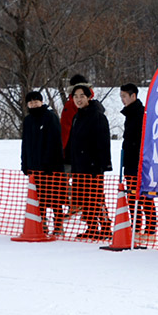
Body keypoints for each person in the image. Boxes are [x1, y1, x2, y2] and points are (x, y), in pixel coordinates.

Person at [66, 83, 112, 240]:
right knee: (84, 198)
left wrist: (103, 164)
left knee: (96, 198)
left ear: (89, 97)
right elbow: (73, 141)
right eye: (75, 97)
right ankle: (92, 227)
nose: (78, 99)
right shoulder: (77, 116)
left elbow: (104, 142)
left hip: (93, 166)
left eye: (82, 96)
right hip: (79, 165)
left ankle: (105, 227)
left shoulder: (97, 116)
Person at [20, 90, 64, 235]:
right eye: (31, 102)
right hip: (34, 166)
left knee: (55, 197)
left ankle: (58, 224)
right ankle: (42, 223)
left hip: (51, 167)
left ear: (42, 102)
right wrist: (24, 163)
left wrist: (53, 163)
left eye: (36, 101)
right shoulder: (27, 120)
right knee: (39, 198)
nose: (33, 104)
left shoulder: (50, 117)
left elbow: (56, 143)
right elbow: (25, 143)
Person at [119, 83, 156, 242]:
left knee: (144, 195)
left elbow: (145, 139)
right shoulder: (129, 114)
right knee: (132, 196)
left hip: (141, 162)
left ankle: (150, 228)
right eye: (121, 97)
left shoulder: (141, 113)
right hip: (129, 161)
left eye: (124, 97)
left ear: (133, 96)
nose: (122, 100)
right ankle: (136, 226)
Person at [60, 74, 91, 219]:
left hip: (70, 150)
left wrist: (60, 148)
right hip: (82, 150)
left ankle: (77, 204)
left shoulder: (71, 103)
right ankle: (85, 208)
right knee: (84, 182)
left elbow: (66, 129)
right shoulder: (91, 102)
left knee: (61, 181)